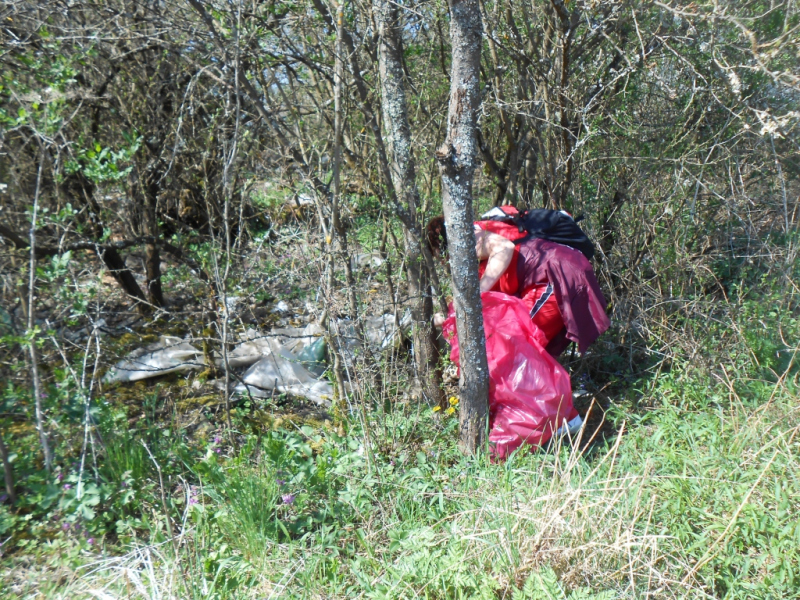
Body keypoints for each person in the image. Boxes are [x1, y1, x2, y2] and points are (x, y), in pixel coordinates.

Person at [426, 211, 610, 357]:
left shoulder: (471, 238)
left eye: (440, 256)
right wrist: (439, 317)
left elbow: (503, 247)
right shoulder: (476, 255)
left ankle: (534, 403)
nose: (443, 262)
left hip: (555, 275)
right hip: (550, 275)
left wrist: (476, 294)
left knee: (521, 342)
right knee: (520, 344)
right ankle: (537, 400)